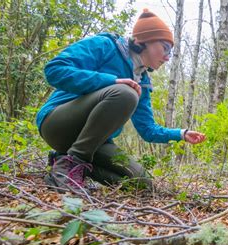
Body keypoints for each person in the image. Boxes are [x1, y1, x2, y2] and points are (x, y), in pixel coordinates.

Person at [36, 9, 206, 193]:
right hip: (57, 123)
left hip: (95, 142)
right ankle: (70, 166)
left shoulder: (143, 82)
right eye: (165, 48)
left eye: (170, 52)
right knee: (126, 93)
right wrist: (111, 81)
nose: (167, 57)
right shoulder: (105, 45)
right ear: (142, 41)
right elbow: (54, 69)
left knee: (143, 184)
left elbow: (147, 130)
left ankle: (62, 161)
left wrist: (181, 133)